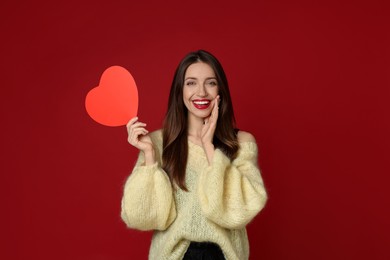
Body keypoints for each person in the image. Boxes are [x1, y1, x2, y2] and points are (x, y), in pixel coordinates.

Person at [121, 50, 267, 260]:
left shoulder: (242, 142)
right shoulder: (158, 143)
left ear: (220, 90)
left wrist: (210, 148)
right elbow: (142, 217)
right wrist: (150, 157)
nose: (201, 92)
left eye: (210, 83)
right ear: (180, 91)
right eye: (191, 83)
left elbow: (241, 210)